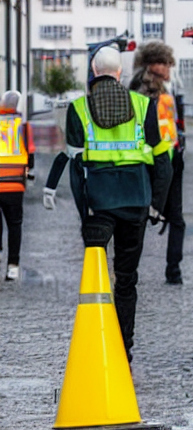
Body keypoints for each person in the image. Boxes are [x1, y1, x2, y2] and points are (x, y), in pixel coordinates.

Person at [43, 45, 172, 363]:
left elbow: (76, 167)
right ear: (120, 72)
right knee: (126, 279)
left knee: (95, 278)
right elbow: (163, 161)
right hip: (136, 202)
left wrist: (83, 211)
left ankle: (98, 346)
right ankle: (124, 350)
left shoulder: (79, 108)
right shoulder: (143, 105)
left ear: (93, 69)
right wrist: (156, 204)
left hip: (99, 205)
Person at [130, 41, 186, 285]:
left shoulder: (165, 89)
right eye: (162, 63)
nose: (167, 67)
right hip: (154, 161)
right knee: (148, 216)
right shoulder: (143, 89)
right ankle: (161, 269)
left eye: (167, 62)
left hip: (172, 157)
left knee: (174, 218)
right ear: (150, 63)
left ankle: (172, 269)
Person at [0, 90, 36, 281]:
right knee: (15, 225)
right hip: (14, 184)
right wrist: (28, 170)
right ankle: (12, 266)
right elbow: (30, 156)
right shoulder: (22, 126)